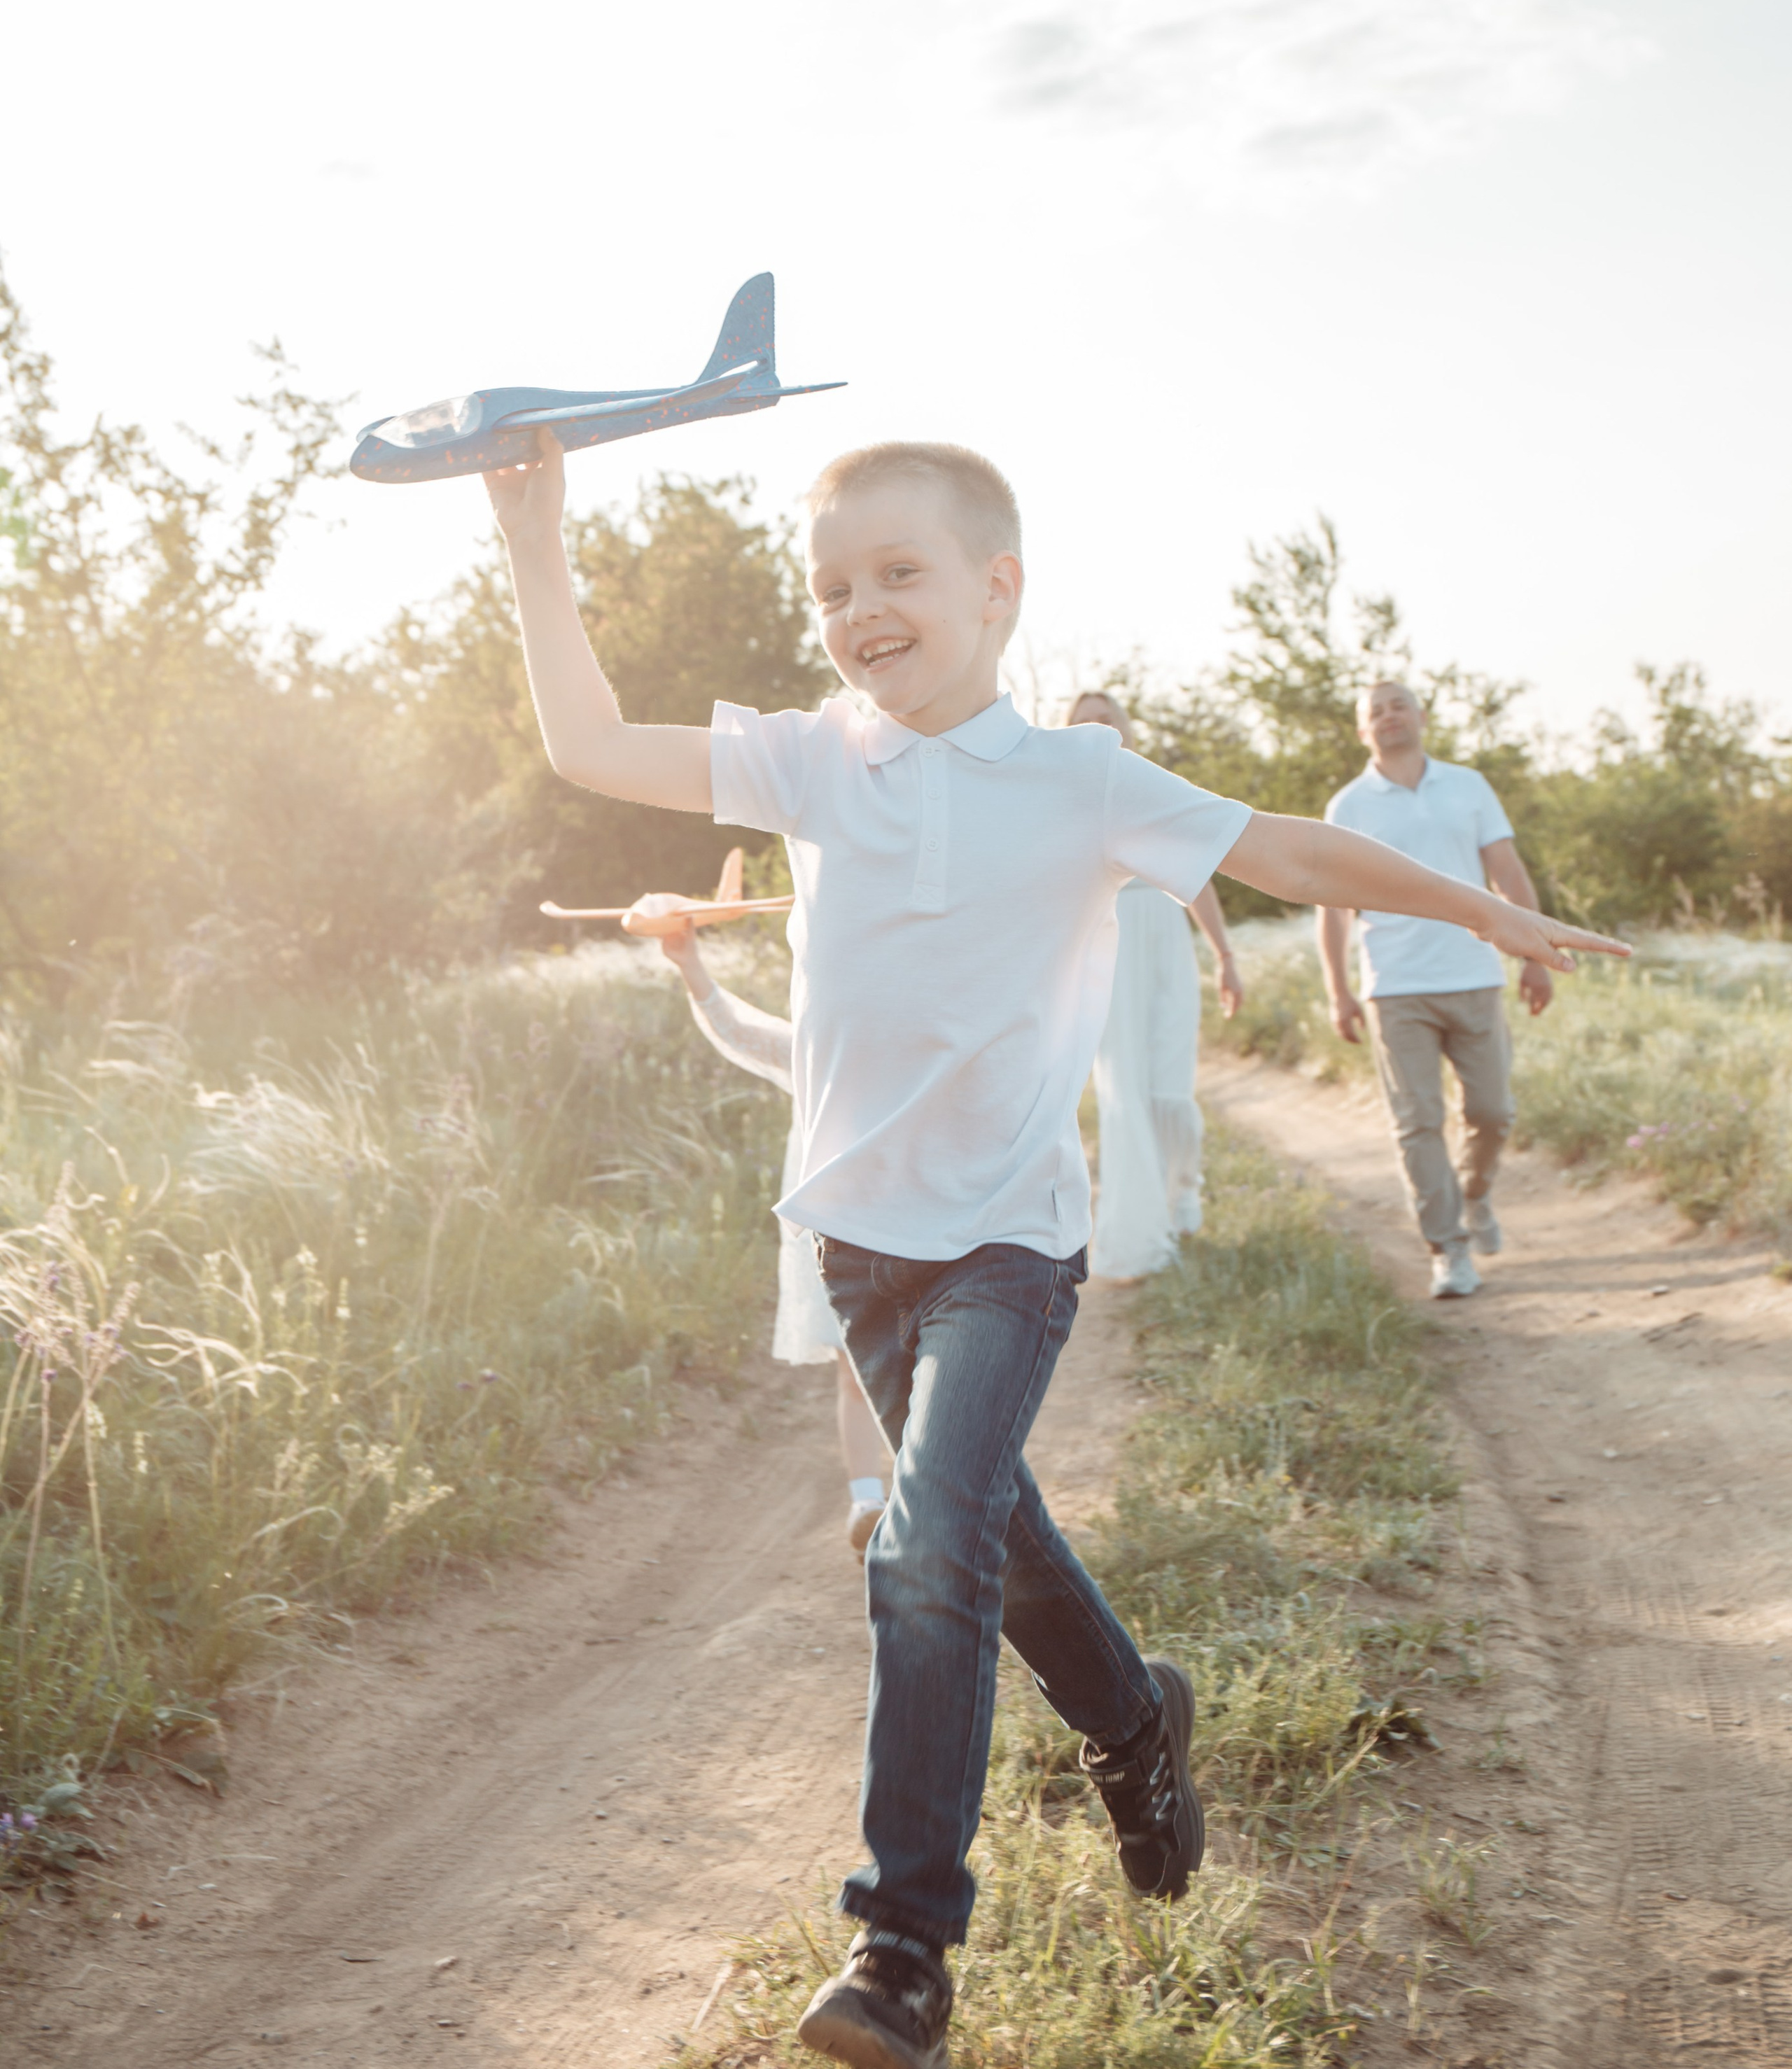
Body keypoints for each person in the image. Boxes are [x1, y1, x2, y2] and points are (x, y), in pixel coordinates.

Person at [481, 430, 1623, 2069]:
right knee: (993, 1545)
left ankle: (900, 1947)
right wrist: (535, 539)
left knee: (925, 1533)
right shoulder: (812, 761)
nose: (858, 611)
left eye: (897, 575)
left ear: (996, 588)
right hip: (859, 1249)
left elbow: (1286, 851)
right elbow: (586, 741)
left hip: (1007, 1241)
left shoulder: (1079, 782)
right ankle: (1133, 1719)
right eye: (830, 586)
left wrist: (1490, 911)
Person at [630, 893, 890, 1554]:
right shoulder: (807, 1050)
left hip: (910, 1224)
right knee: (854, 1369)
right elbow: (736, 1028)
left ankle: (940, 1499)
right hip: (838, 1233)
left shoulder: (908, 1044)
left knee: (924, 1375)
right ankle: (868, 1504)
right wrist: (690, 962)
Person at [1318, 679, 1555, 1303]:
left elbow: (1507, 872)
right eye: (1375, 711)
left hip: (1476, 974)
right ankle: (1448, 1247)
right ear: (1362, 730)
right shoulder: (1349, 806)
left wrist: (1536, 955)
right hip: (1396, 986)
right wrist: (1338, 991)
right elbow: (1333, 909)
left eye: (1398, 705)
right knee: (1417, 1121)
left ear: (1420, 717)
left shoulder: (1469, 785)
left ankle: (1474, 1195)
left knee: (1493, 1112)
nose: (1388, 716)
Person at [1065, 691, 1243, 1276]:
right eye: (1084, 720)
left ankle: (1182, 1189)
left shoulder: (1159, 790)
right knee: (1123, 1090)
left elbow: (1199, 879)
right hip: (1106, 945)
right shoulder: (1062, 799)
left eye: (1107, 717)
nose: (1098, 727)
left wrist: (1224, 954)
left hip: (1165, 939)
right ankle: (1137, 1231)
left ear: (1126, 727)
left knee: (1171, 1083)